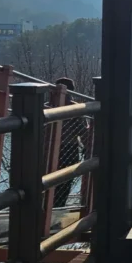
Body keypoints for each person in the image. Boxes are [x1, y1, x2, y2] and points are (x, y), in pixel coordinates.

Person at [52, 76, 88, 209]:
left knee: (46, 180)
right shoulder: (76, 109)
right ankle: (57, 208)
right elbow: (83, 132)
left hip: (47, 148)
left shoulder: (47, 107)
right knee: (65, 182)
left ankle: (44, 207)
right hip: (69, 147)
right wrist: (87, 147)